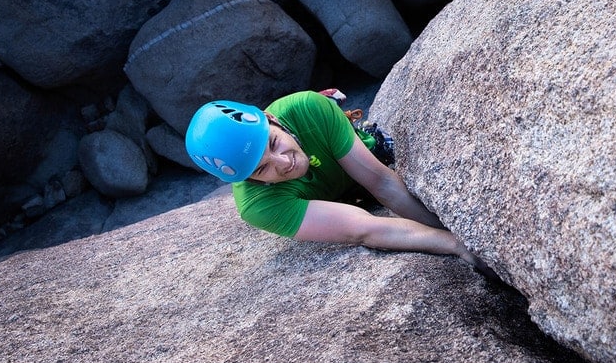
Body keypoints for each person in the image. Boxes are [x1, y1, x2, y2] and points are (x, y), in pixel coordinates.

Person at [185, 90, 476, 265]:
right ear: (248, 180)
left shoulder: (307, 108)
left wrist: (465, 234)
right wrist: (456, 245)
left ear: (271, 119)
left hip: (354, 170)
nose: (284, 162)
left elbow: (382, 182)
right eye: (262, 169)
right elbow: (363, 228)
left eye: (274, 143)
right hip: (336, 199)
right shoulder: (258, 206)